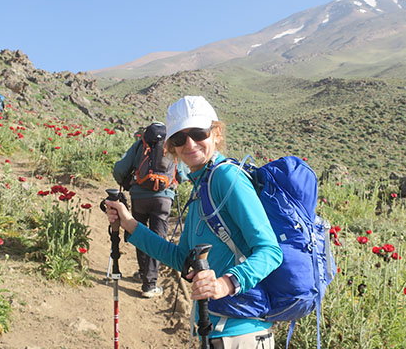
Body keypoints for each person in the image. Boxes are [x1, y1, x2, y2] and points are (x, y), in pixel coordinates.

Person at [105, 96, 282, 348]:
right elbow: (181, 259)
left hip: (240, 333)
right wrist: (129, 222)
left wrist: (225, 283)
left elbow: (270, 251)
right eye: (179, 138)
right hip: (214, 329)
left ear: (216, 133)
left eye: (198, 133)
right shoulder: (202, 186)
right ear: (171, 148)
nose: (190, 143)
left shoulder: (226, 177)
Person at [112, 122, 189, 298]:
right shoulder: (171, 145)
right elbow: (183, 176)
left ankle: (143, 273)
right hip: (163, 199)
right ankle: (150, 284)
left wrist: (127, 182)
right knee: (157, 238)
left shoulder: (141, 144)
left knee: (140, 232)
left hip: (139, 197)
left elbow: (119, 169)